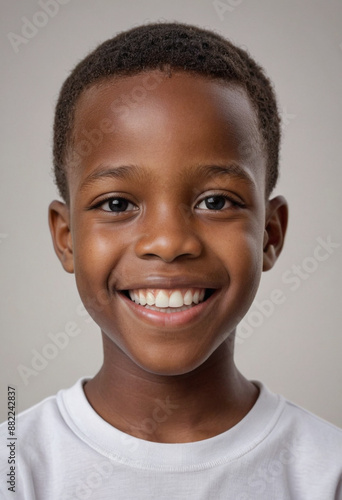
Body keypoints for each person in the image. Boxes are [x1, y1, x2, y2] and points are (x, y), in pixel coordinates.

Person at [1, 22, 341, 499]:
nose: (168, 242)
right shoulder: (17, 469)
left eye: (217, 201)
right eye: (117, 204)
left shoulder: (327, 472)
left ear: (270, 233)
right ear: (67, 238)